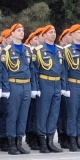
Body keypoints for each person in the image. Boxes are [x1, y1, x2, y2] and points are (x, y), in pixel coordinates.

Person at [0, 23, 35, 155]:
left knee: (23, 115)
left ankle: (19, 142)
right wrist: (5, 88)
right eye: (18, 30)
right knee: (12, 115)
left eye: (23, 30)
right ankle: (11, 143)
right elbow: (3, 71)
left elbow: (32, 69)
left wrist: (32, 87)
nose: (21, 32)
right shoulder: (6, 50)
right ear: (12, 33)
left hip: (26, 84)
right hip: (13, 84)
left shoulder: (27, 50)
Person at [32, 25, 65, 153]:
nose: (53, 34)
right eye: (50, 32)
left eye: (54, 32)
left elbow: (63, 70)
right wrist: (36, 87)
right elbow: (34, 70)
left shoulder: (59, 50)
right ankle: (42, 141)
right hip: (44, 82)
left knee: (54, 113)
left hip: (56, 83)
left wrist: (63, 86)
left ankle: (50, 140)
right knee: (43, 112)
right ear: (44, 35)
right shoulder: (38, 50)